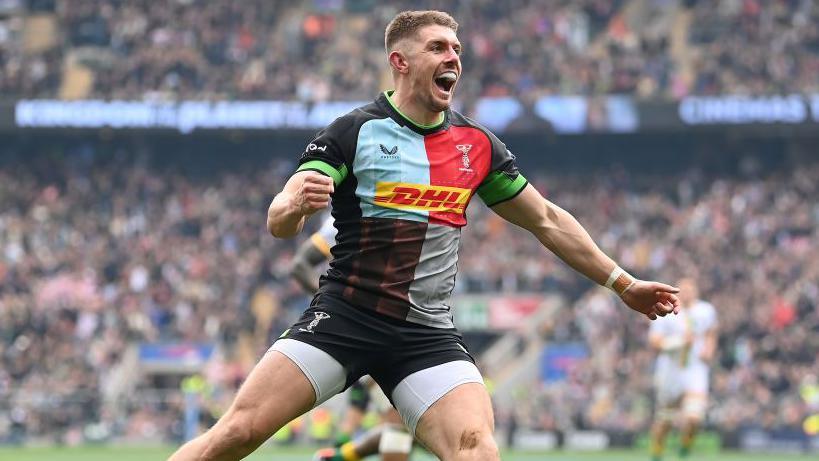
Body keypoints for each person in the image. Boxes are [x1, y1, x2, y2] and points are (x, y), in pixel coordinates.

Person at [168, 10, 680, 461]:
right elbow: (279, 219)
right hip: (345, 319)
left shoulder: (477, 145)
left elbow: (545, 219)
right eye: (437, 47)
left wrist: (622, 282)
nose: (452, 57)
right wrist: (294, 205)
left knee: (477, 449)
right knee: (236, 434)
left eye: (456, 49)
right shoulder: (353, 132)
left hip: (425, 334)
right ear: (401, 61)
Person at [288, 214, 413, 461]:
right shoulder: (347, 215)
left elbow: (299, 266)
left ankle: (335, 456)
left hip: (391, 329)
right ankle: (337, 456)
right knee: (398, 424)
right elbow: (299, 266)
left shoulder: (400, 211)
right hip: (372, 331)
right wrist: (335, 305)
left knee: (398, 425)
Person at [648, 278, 717, 461]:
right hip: (670, 370)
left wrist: (709, 349)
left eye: (690, 290)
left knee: (694, 417)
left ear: (696, 291)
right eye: (683, 290)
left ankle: (684, 450)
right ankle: (656, 454)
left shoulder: (706, 310)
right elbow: (655, 342)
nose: (687, 293)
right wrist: (679, 342)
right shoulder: (665, 310)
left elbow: (711, 332)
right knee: (665, 420)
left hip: (695, 369)